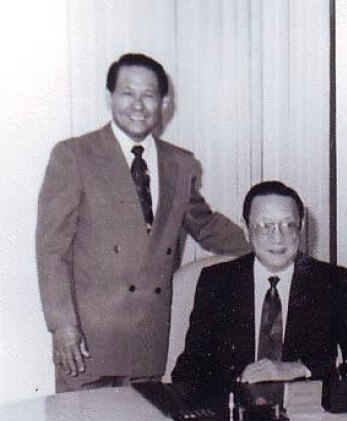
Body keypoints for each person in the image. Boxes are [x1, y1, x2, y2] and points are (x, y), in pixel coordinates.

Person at [36, 52, 251, 393]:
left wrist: (266, 249)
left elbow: (205, 224)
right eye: (127, 93)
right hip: (88, 340)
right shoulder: (74, 155)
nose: (138, 105)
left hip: (148, 339)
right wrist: (63, 327)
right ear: (110, 97)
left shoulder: (180, 163)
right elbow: (51, 250)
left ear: (164, 103)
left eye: (149, 95)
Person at [172, 180, 347, 388]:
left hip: (305, 417)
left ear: (301, 228)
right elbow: (188, 368)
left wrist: (301, 369)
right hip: (234, 412)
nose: (278, 238)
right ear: (246, 230)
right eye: (265, 226)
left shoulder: (331, 282)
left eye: (288, 225)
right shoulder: (217, 281)